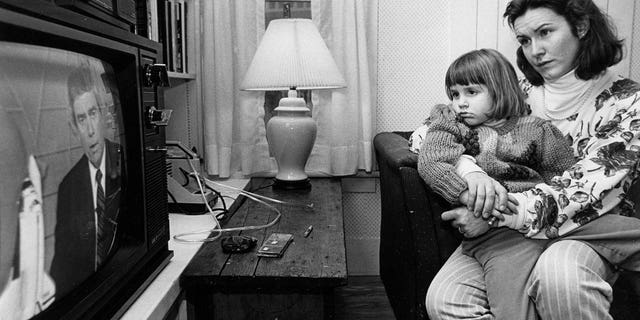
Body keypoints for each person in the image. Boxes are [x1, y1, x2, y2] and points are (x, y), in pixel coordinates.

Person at [424, 0, 640, 319]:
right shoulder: (518, 90)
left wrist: (494, 213)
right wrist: (470, 175)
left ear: (580, 27)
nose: (535, 50)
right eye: (525, 40)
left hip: (583, 225)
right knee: (445, 300)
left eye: (545, 32)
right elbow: (429, 134)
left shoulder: (629, 104)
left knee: (560, 277)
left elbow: (584, 189)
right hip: (504, 235)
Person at [50, 67, 122, 297]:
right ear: (74, 127)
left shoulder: (126, 162)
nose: (90, 130)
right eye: (82, 119)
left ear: (102, 115)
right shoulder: (68, 188)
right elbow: (61, 267)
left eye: (93, 114)